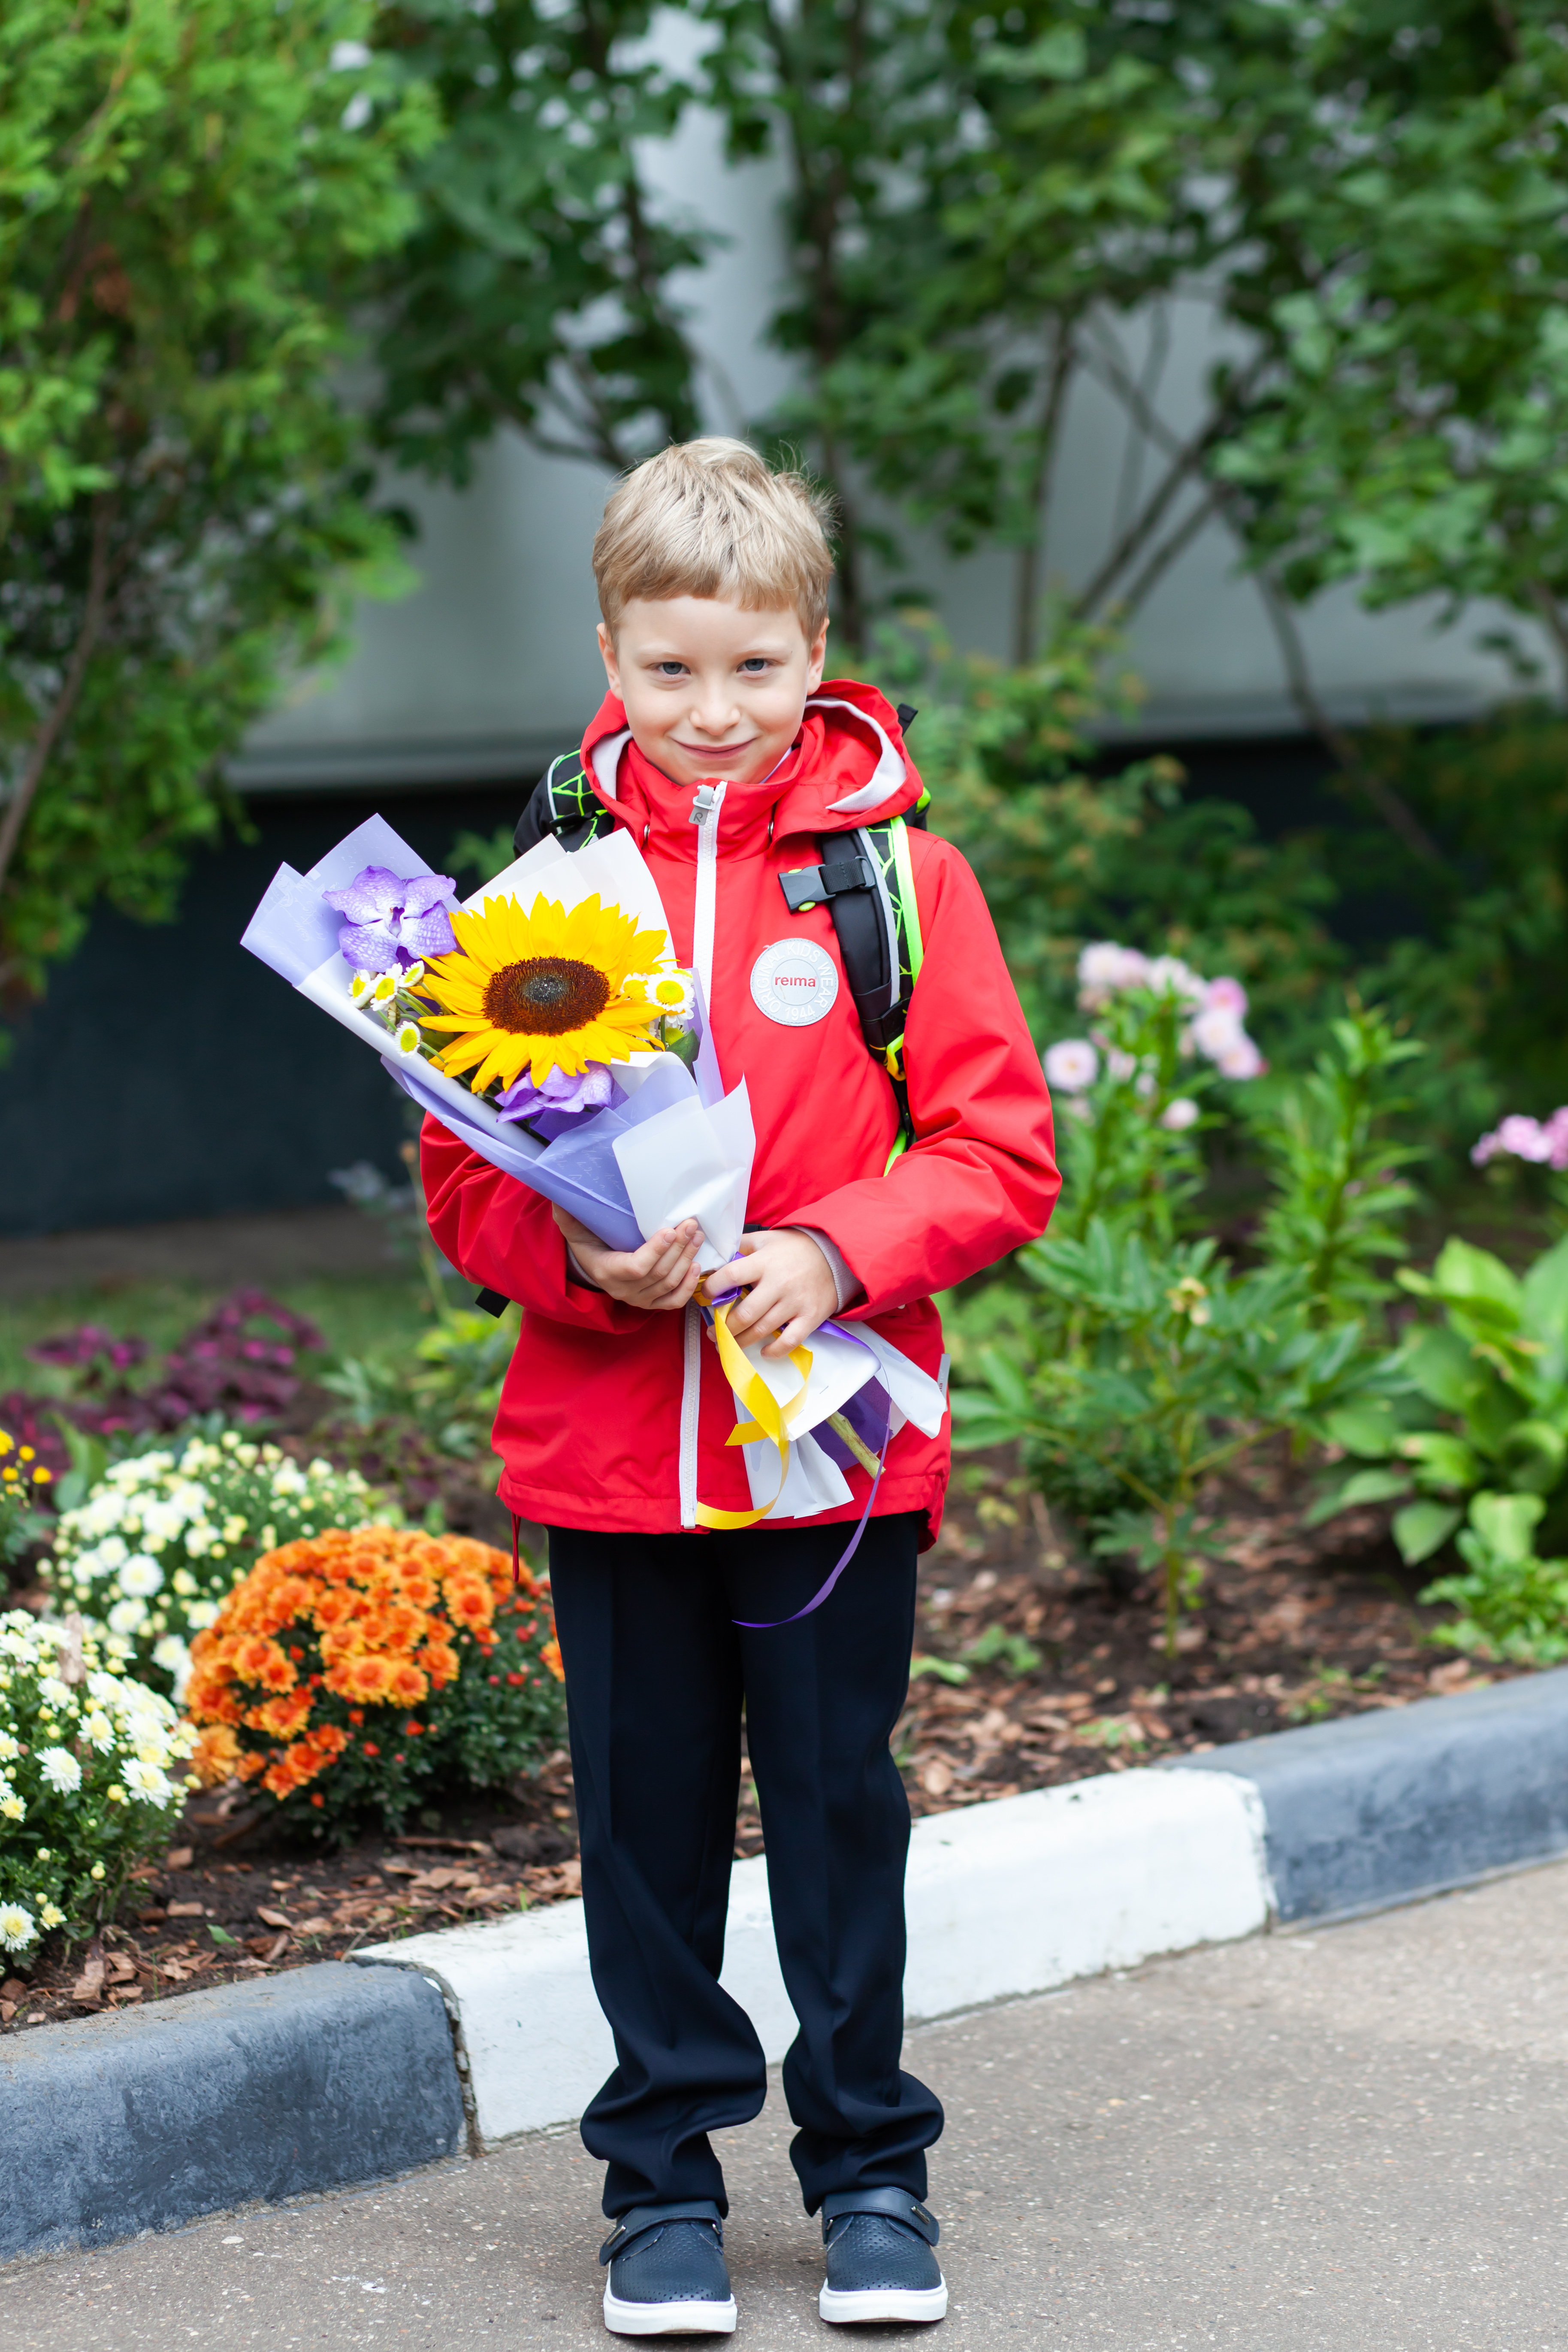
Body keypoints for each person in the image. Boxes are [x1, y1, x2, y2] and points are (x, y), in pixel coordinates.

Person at [421, 437, 1058, 2336]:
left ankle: (869, 2170)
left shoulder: (898, 882)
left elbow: (999, 1150)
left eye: (755, 666)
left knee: (839, 1814)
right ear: (608, 654)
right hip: (609, 1456)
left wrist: (838, 1251)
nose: (713, 709)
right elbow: (464, 1174)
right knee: (641, 1828)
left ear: (816, 653)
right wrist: (583, 1265)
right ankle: (660, 2187)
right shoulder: (544, 892)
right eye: (671, 667)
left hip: (831, 1454)